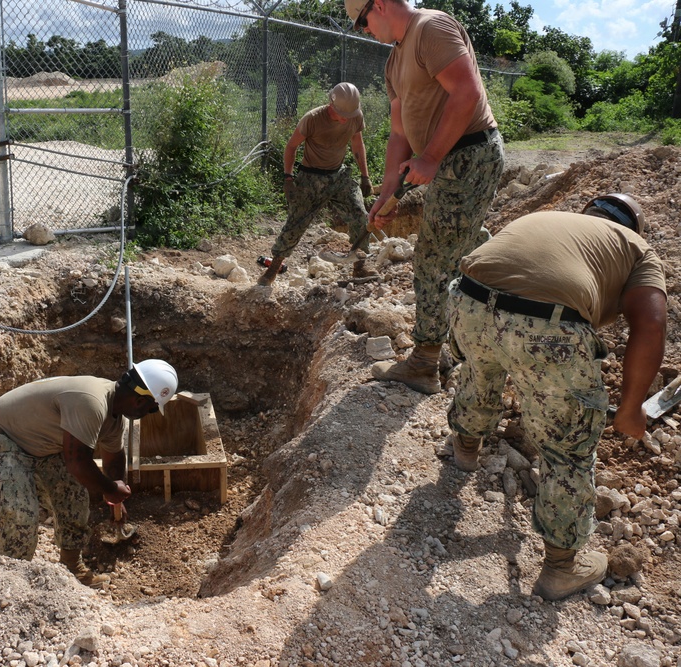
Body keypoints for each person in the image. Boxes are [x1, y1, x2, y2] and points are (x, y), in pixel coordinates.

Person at [445, 194, 667, 601]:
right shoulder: (637, 249)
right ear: (633, 228)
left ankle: (465, 447)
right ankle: (563, 568)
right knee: (567, 449)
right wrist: (631, 407)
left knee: (482, 369)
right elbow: (650, 326)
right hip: (546, 329)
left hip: (466, 300)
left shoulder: (549, 219)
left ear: (588, 215)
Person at [345, 0, 505, 393]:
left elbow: (465, 92)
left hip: (468, 154)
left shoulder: (431, 28)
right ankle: (473, 333)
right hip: (449, 159)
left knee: (433, 260)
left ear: (378, 5)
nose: (364, 30)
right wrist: (388, 195)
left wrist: (431, 156)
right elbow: (400, 133)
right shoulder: (394, 60)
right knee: (460, 244)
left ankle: (425, 362)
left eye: (362, 21)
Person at [0, 359, 179, 587]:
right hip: (4, 437)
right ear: (140, 400)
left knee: (74, 499)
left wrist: (116, 494)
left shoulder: (113, 416)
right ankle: (6, 583)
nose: (148, 414)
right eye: (151, 409)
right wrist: (110, 489)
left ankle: (71, 568)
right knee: (22, 514)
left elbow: (114, 455)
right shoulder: (91, 402)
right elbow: (77, 462)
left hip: (44, 445)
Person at [258, 82, 372, 286]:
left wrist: (365, 176)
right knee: (295, 224)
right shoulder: (312, 119)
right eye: (342, 114)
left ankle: (359, 266)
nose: (346, 119)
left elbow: (357, 143)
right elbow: (291, 146)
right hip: (310, 178)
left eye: (350, 114)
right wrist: (288, 178)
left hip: (339, 176)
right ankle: (273, 268)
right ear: (331, 105)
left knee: (360, 216)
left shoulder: (355, 116)